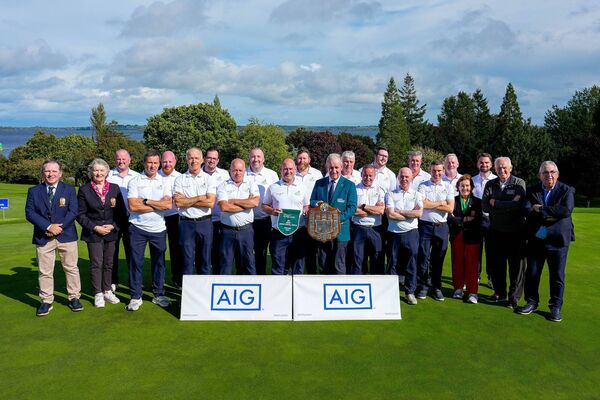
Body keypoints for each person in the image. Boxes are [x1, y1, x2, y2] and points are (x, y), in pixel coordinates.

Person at [517, 161, 575, 322]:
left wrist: (541, 209)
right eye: (545, 172)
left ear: (557, 174)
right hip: (539, 236)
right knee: (533, 273)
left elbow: (565, 210)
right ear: (539, 175)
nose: (549, 175)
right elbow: (526, 209)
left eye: (552, 172)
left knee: (557, 275)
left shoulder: (566, 190)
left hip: (558, 239)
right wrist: (549, 212)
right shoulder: (532, 190)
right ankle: (531, 301)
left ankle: (555, 307)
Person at [25, 160, 83, 316]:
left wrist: (60, 227)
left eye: (54, 171)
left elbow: (73, 211)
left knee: (71, 268)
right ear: (43, 173)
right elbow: (30, 213)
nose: (50, 174)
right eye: (47, 171)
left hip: (67, 236)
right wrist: (49, 227)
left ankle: (74, 297)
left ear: (60, 173)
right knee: (45, 271)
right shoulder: (34, 191)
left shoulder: (70, 189)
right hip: (43, 237)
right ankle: (46, 300)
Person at [125, 150, 173, 311]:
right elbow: (132, 206)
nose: (152, 166)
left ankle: (158, 294)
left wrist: (145, 201)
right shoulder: (135, 181)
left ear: (159, 164)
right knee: (135, 263)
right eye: (149, 162)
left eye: (155, 163)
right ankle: (135, 296)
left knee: (158, 263)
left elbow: (167, 205)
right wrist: (156, 205)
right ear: (144, 163)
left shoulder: (165, 181)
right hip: (137, 228)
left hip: (158, 229)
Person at [77, 158, 126, 307]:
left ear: (107, 172)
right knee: (97, 263)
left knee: (109, 263)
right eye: (96, 170)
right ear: (91, 172)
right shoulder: (85, 189)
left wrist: (113, 226)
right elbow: (80, 214)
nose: (98, 173)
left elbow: (121, 212)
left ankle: (107, 290)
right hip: (93, 233)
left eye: (101, 170)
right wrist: (95, 227)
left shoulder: (114, 188)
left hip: (111, 232)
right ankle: (98, 293)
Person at [482, 156, 527, 309]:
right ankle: (499, 293)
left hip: (516, 232)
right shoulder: (490, 184)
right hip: (496, 231)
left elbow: (517, 206)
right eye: (499, 167)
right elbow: (485, 206)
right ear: (495, 169)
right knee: (497, 265)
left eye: (504, 167)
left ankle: (513, 298)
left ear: (510, 168)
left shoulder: (519, 183)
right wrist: (507, 204)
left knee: (516, 267)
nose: (502, 170)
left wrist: (496, 203)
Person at [310, 153, 358, 274]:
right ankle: (323, 291)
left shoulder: (349, 185)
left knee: (339, 265)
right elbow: (312, 201)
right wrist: (317, 204)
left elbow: (352, 208)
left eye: (336, 167)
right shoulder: (319, 183)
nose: (334, 170)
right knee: (323, 264)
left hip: (341, 231)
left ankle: (339, 291)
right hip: (322, 230)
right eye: (331, 167)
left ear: (341, 167)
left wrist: (335, 219)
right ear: (327, 167)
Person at [173, 148, 216, 276]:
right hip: (186, 224)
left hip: (205, 223)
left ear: (202, 160)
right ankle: (188, 295)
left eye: (197, 158)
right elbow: (179, 203)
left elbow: (210, 203)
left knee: (205, 261)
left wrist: (187, 200)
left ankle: (205, 293)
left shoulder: (209, 179)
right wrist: (199, 198)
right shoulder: (180, 179)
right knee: (187, 261)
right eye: (191, 158)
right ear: (186, 160)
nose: (194, 161)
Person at [262, 159, 309, 275]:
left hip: (298, 232)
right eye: (285, 169)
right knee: (278, 266)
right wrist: (272, 211)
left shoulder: (302, 187)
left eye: (291, 169)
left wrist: (306, 210)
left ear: (295, 170)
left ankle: (297, 293)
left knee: (298, 267)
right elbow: (264, 206)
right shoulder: (273, 187)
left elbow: (306, 205)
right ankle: (279, 291)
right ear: (281, 170)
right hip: (279, 233)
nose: (288, 171)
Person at [416, 160, 455, 301]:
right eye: (434, 170)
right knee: (423, 258)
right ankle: (423, 286)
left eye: (439, 171)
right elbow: (423, 204)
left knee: (438, 259)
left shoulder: (449, 186)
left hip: (442, 227)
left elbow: (450, 208)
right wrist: (440, 202)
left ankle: (436, 288)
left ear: (443, 171)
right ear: (430, 170)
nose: (437, 173)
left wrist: (431, 204)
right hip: (425, 226)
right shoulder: (423, 185)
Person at [386, 167, 423, 305]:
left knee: (411, 263)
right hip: (394, 234)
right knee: (392, 263)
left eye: (407, 177)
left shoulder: (417, 194)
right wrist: (408, 215)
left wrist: (400, 212)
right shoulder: (390, 194)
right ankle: (390, 292)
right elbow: (390, 214)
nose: (404, 179)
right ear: (398, 177)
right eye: (401, 176)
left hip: (411, 233)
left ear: (411, 178)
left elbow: (419, 213)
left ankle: (410, 292)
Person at [217, 159, 260, 275]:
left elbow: (255, 203)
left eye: (240, 170)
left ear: (244, 171)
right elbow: (224, 207)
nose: (237, 173)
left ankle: (252, 288)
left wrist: (234, 201)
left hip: (246, 230)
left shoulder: (251, 184)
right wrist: (246, 204)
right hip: (227, 231)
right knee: (225, 263)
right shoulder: (222, 185)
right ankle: (223, 290)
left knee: (248, 263)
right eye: (235, 170)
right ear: (230, 171)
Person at [107, 149, 139, 291]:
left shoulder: (137, 176)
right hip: (113, 219)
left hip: (132, 218)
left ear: (130, 160)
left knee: (132, 251)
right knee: (112, 251)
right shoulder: (108, 176)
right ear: (115, 160)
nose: (121, 161)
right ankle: (113, 281)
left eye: (124, 159)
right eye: (119, 159)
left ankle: (134, 281)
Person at [448, 174, 482, 304]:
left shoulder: (477, 202)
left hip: (473, 236)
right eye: (462, 186)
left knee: (472, 264)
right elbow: (450, 218)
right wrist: (466, 219)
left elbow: (478, 219)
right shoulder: (453, 200)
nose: (465, 188)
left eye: (467, 185)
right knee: (457, 262)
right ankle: (458, 289)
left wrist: (459, 219)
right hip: (457, 235)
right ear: (458, 187)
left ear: (471, 187)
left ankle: (472, 292)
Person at [245, 148, 279, 275]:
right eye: (253, 156)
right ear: (249, 158)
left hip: (265, 220)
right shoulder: (243, 173)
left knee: (262, 252)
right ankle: (245, 278)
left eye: (259, 156)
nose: (256, 159)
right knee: (246, 253)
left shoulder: (272, 174)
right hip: (246, 221)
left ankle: (260, 279)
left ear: (263, 159)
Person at [350, 165, 385, 274]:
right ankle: (358, 283)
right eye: (365, 175)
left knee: (376, 257)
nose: (368, 178)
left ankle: (376, 284)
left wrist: (363, 206)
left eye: (370, 175)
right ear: (361, 175)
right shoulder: (354, 189)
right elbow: (353, 210)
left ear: (375, 176)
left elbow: (381, 211)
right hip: (358, 228)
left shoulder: (380, 190)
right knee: (358, 258)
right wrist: (373, 209)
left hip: (375, 229)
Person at [202, 147, 230, 273]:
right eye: (209, 158)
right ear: (204, 159)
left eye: (214, 158)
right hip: (203, 218)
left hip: (221, 219)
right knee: (204, 252)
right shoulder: (198, 174)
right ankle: (203, 279)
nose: (211, 161)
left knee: (220, 251)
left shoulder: (224, 174)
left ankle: (217, 278)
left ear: (218, 161)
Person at [295, 148, 323, 274]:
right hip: (297, 221)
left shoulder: (317, 174)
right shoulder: (291, 173)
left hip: (313, 220)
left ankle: (312, 280)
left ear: (309, 160)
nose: (302, 161)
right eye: (300, 158)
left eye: (304, 158)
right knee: (297, 254)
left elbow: (321, 196)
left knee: (312, 253)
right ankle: (296, 280)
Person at [472, 152, 496, 289]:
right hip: (476, 220)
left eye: (486, 162)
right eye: (481, 162)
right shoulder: (472, 180)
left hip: (491, 220)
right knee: (476, 250)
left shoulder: (496, 180)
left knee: (491, 250)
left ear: (491, 164)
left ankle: (491, 277)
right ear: (477, 164)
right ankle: (476, 276)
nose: (484, 164)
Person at [158, 150, 182, 288]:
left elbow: (180, 199)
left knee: (176, 249)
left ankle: (177, 279)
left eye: (170, 161)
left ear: (175, 162)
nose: (167, 164)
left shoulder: (180, 177)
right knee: (159, 249)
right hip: (158, 216)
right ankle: (159, 280)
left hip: (175, 216)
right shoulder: (155, 176)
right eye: (165, 161)